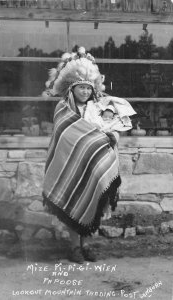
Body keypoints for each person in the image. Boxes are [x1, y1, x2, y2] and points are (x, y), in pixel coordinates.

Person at [42, 47, 136, 264]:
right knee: (73, 198)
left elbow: (111, 128)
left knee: (92, 200)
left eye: (88, 88)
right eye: (81, 88)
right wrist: (91, 140)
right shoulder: (63, 108)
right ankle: (74, 247)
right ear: (71, 88)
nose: (85, 92)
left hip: (94, 164)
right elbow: (65, 137)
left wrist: (110, 137)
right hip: (71, 163)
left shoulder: (100, 107)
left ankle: (86, 245)